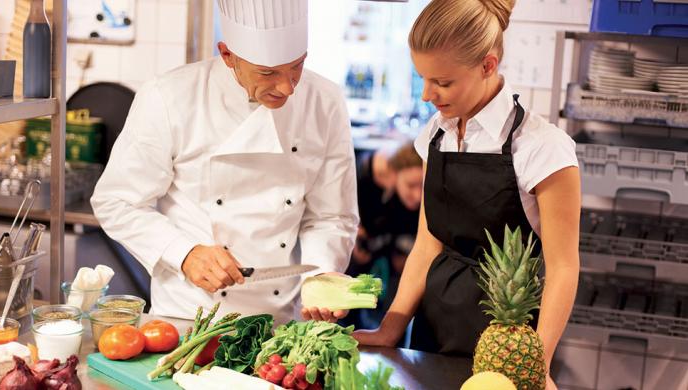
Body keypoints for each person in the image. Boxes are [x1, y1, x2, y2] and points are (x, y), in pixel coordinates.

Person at [353, 1, 581, 389]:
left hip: (508, 336)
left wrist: (536, 365)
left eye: (442, 83)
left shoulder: (544, 148)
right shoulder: (435, 135)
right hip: (432, 328)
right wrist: (391, 329)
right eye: (423, 79)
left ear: (488, 66)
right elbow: (428, 244)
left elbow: (563, 267)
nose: (427, 95)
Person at [91, 0, 358, 326]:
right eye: (268, 72)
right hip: (189, 317)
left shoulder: (325, 101)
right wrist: (184, 252)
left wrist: (320, 279)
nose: (288, 87)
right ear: (228, 55)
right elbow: (116, 200)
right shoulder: (169, 96)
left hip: (282, 320)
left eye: (297, 66)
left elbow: (331, 216)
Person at [345, 142, 422, 329]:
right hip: (361, 258)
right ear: (393, 175)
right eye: (411, 185)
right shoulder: (363, 178)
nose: (418, 196)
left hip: (394, 265)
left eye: (423, 186)